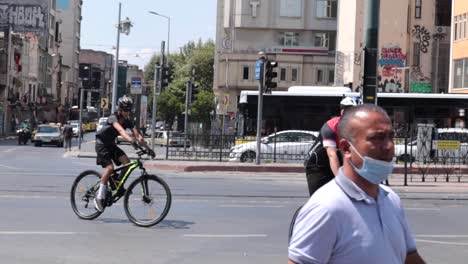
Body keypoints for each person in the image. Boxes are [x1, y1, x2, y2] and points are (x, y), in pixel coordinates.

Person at [288, 104, 425, 264]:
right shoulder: (326, 208)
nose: (388, 146)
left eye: (390, 136)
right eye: (377, 138)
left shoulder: (391, 199)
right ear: (346, 148)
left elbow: (409, 257)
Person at [93, 95, 150, 212]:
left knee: (126, 162)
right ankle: (98, 198)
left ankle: (116, 184)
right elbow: (120, 130)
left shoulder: (128, 121)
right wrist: (130, 141)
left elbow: (138, 135)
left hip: (111, 145)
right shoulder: (113, 118)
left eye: (129, 110)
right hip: (101, 144)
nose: (127, 112)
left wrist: (148, 148)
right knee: (109, 168)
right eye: (125, 110)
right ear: (120, 109)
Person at [304, 97, 357, 196]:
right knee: (319, 199)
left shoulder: (353, 128)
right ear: (342, 112)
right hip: (317, 165)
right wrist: (340, 179)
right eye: (349, 111)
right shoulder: (331, 126)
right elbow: (332, 155)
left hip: (334, 161)